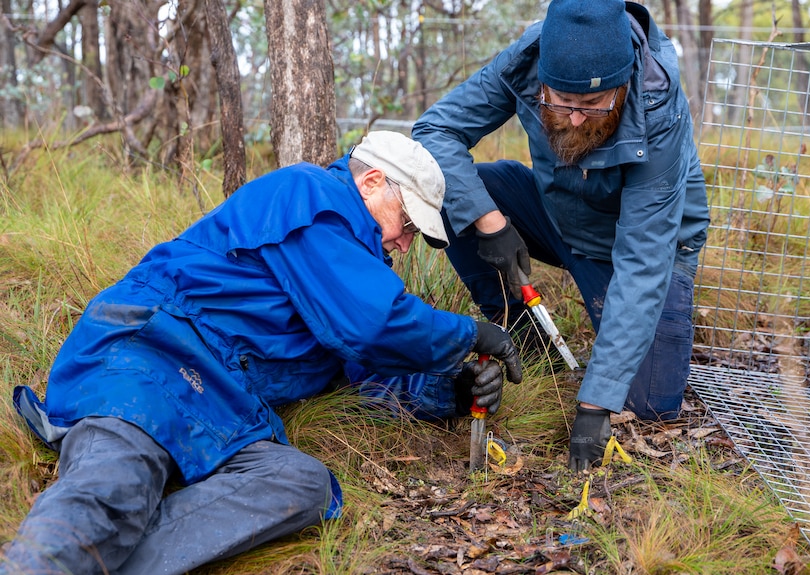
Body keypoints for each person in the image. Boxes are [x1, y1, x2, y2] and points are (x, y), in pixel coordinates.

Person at [1, 131, 522, 575]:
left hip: (224, 409)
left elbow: (360, 367)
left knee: (302, 483)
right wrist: (469, 335)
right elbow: (373, 326)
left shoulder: (347, 270)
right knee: (112, 489)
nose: (404, 244)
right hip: (146, 364)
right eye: (407, 224)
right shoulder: (310, 196)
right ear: (371, 182)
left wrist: (449, 392)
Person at [412, 0, 710, 472]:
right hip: (559, 214)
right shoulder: (527, 60)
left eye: (593, 105)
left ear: (624, 84)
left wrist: (595, 405)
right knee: (455, 191)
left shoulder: (657, 102)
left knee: (651, 405)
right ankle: (529, 344)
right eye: (561, 101)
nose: (574, 118)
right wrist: (489, 221)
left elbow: (643, 259)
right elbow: (435, 130)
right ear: (542, 79)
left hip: (641, 244)